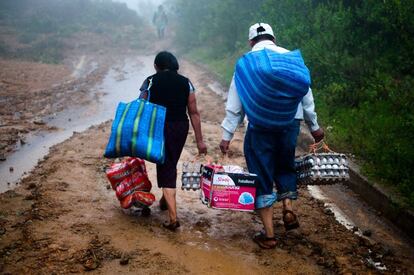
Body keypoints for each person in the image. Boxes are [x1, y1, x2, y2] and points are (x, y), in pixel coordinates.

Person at [219, 23, 324, 248]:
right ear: (274, 38)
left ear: (251, 42)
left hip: (259, 125)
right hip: (291, 123)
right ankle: (287, 206)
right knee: (285, 165)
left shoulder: (246, 64)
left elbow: (234, 105)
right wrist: (314, 126)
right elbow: (306, 93)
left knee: (261, 174)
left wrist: (227, 135)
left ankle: (269, 236)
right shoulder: (291, 59)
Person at [140, 51, 207, 231]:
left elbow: (141, 105)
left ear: (156, 66)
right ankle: (164, 200)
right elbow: (194, 112)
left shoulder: (150, 80)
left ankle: (173, 218)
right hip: (180, 127)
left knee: (166, 164)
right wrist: (200, 141)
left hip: (159, 126)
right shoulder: (186, 82)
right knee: (170, 162)